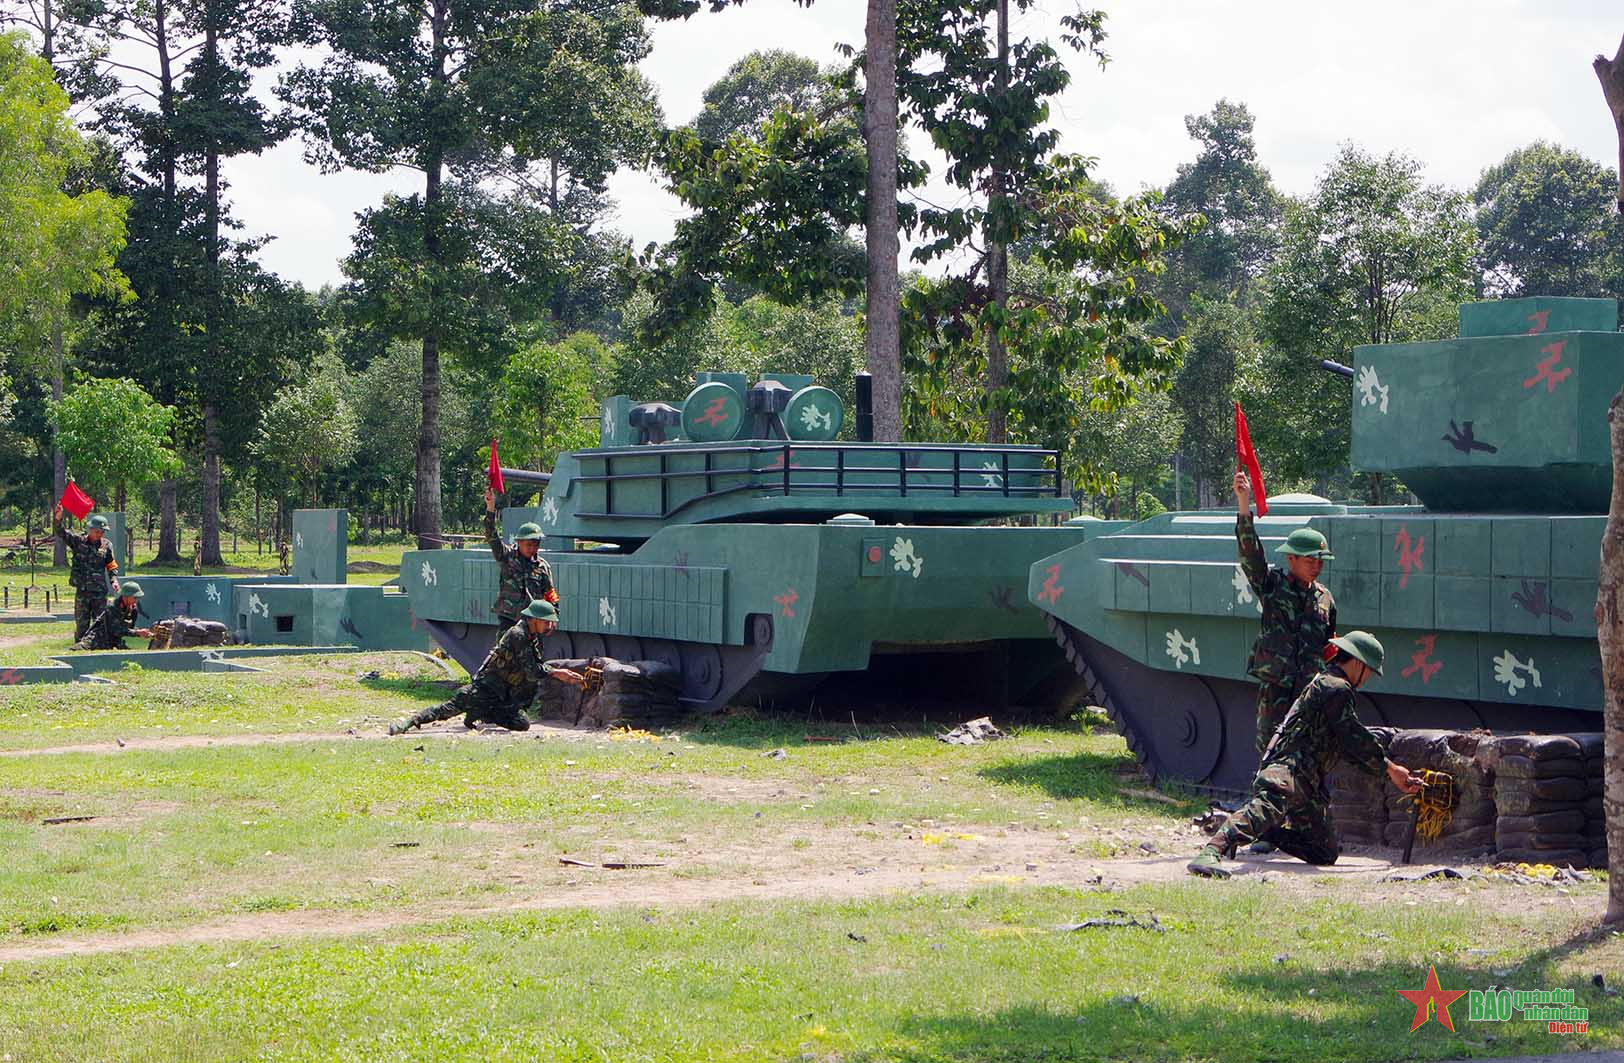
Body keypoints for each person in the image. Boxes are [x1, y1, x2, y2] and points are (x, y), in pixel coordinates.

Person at [1188, 631, 1421, 879]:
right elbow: (1354, 736)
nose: (1367, 680)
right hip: (1289, 769)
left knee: (1324, 852)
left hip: (1307, 780)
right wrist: (1390, 769)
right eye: (1369, 671)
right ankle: (1213, 850)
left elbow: (1345, 744)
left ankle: (1262, 832)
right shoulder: (1336, 688)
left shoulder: (1328, 683)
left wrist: (1388, 771)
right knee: (1266, 807)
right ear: (1357, 663)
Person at [388, 599, 583, 735]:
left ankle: (482, 713)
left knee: (522, 724)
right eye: (546, 621)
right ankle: (407, 723)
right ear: (533, 619)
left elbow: (532, 667)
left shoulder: (532, 637)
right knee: (446, 709)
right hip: (486, 686)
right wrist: (558, 673)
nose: (549, 625)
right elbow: (532, 671)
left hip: (503, 692)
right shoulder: (519, 635)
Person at [484, 487, 558, 628]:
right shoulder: (506, 556)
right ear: (519, 542)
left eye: (536, 545)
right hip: (509, 618)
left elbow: (551, 594)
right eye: (528, 544)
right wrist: (490, 508)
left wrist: (552, 617)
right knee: (504, 650)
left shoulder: (542, 567)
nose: (532, 548)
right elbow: (491, 535)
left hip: (533, 621)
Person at [54, 504, 120, 642]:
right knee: (82, 624)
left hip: (99, 591)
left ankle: (99, 645)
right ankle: (80, 646)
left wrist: (114, 580)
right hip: (83, 591)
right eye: (97, 531)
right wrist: (58, 518)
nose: (100, 534)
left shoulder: (106, 545)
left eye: (102, 532)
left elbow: (111, 564)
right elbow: (61, 532)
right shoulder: (78, 542)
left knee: (101, 622)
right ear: (90, 530)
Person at [71, 581, 153, 651]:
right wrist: (138, 632)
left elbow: (128, 629)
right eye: (134, 597)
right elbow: (115, 630)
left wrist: (143, 632)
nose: (136, 601)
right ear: (125, 596)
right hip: (98, 639)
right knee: (77, 649)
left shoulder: (133, 610)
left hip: (114, 642)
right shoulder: (112, 608)